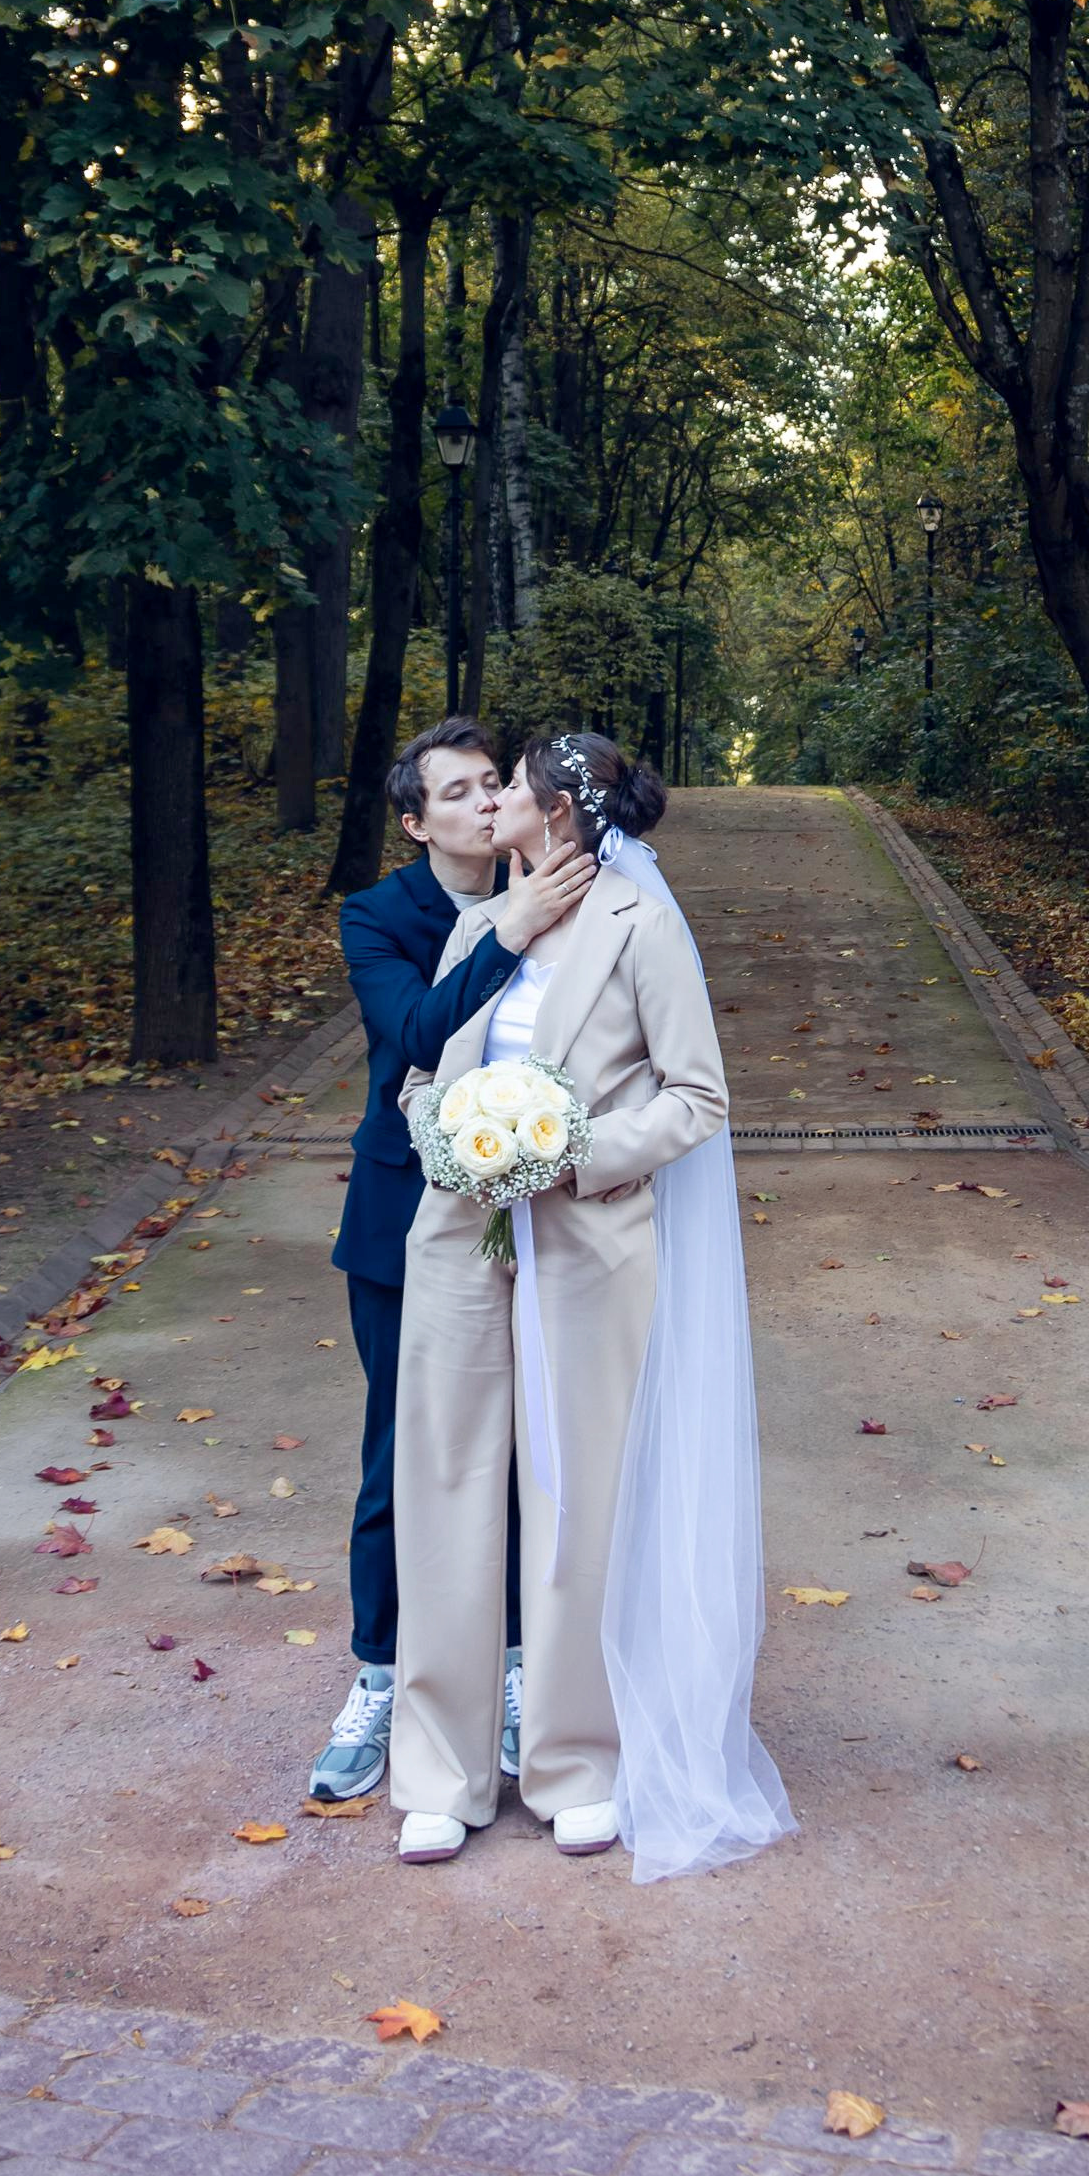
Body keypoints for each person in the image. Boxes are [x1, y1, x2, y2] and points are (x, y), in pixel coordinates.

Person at [388, 730, 795, 1881]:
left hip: (589, 1244)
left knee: (573, 1496)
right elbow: (422, 1073)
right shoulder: (479, 924)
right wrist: (452, 1142)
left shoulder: (638, 923)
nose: (492, 800)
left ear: (558, 811)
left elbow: (695, 1097)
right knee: (447, 1486)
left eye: (511, 785)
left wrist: (570, 1153)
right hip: (457, 1241)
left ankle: (575, 1762)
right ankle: (439, 1774)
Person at [309, 718, 597, 1805]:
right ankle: (379, 1675)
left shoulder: (572, 887)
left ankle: (521, 1672)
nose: (484, 803)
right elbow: (416, 1036)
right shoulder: (378, 915)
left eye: (495, 784)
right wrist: (508, 929)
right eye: (459, 791)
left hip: (545, 1218)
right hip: (402, 1221)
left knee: (531, 1451)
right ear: (415, 818)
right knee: (403, 1450)